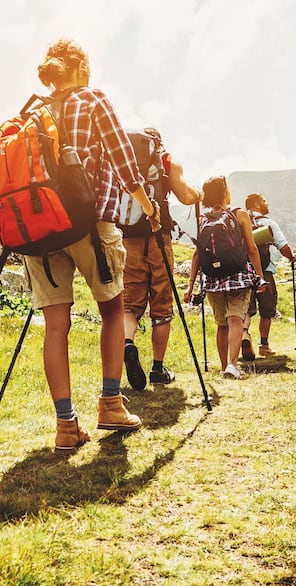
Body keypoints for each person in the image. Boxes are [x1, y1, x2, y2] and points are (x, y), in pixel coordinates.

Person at [27, 39, 160, 452]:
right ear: (81, 68)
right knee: (112, 310)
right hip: (88, 222)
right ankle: (110, 404)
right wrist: (147, 206)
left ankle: (66, 426)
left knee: (56, 326)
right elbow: (124, 160)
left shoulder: (34, 111)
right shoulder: (92, 98)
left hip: (40, 228)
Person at [120, 128, 202, 391]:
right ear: (157, 142)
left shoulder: (123, 158)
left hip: (127, 237)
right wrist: (199, 194)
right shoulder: (166, 160)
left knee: (129, 305)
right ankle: (157, 369)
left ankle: (128, 344)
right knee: (162, 305)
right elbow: (186, 196)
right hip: (158, 236)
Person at [183, 176, 265, 379]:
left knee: (221, 323)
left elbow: (197, 254)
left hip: (212, 279)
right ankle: (232, 365)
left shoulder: (203, 219)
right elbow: (252, 248)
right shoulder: (240, 214)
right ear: (226, 192)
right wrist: (259, 278)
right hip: (238, 275)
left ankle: (222, 367)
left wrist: (191, 285)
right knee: (235, 318)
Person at [244, 193, 296, 357]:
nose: (267, 204)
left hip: (244, 273)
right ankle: (264, 345)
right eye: (264, 201)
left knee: (245, 309)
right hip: (265, 272)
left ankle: (244, 334)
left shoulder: (241, 223)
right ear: (257, 204)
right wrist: (292, 257)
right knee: (267, 310)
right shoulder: (268, 224)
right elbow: (282, 246)